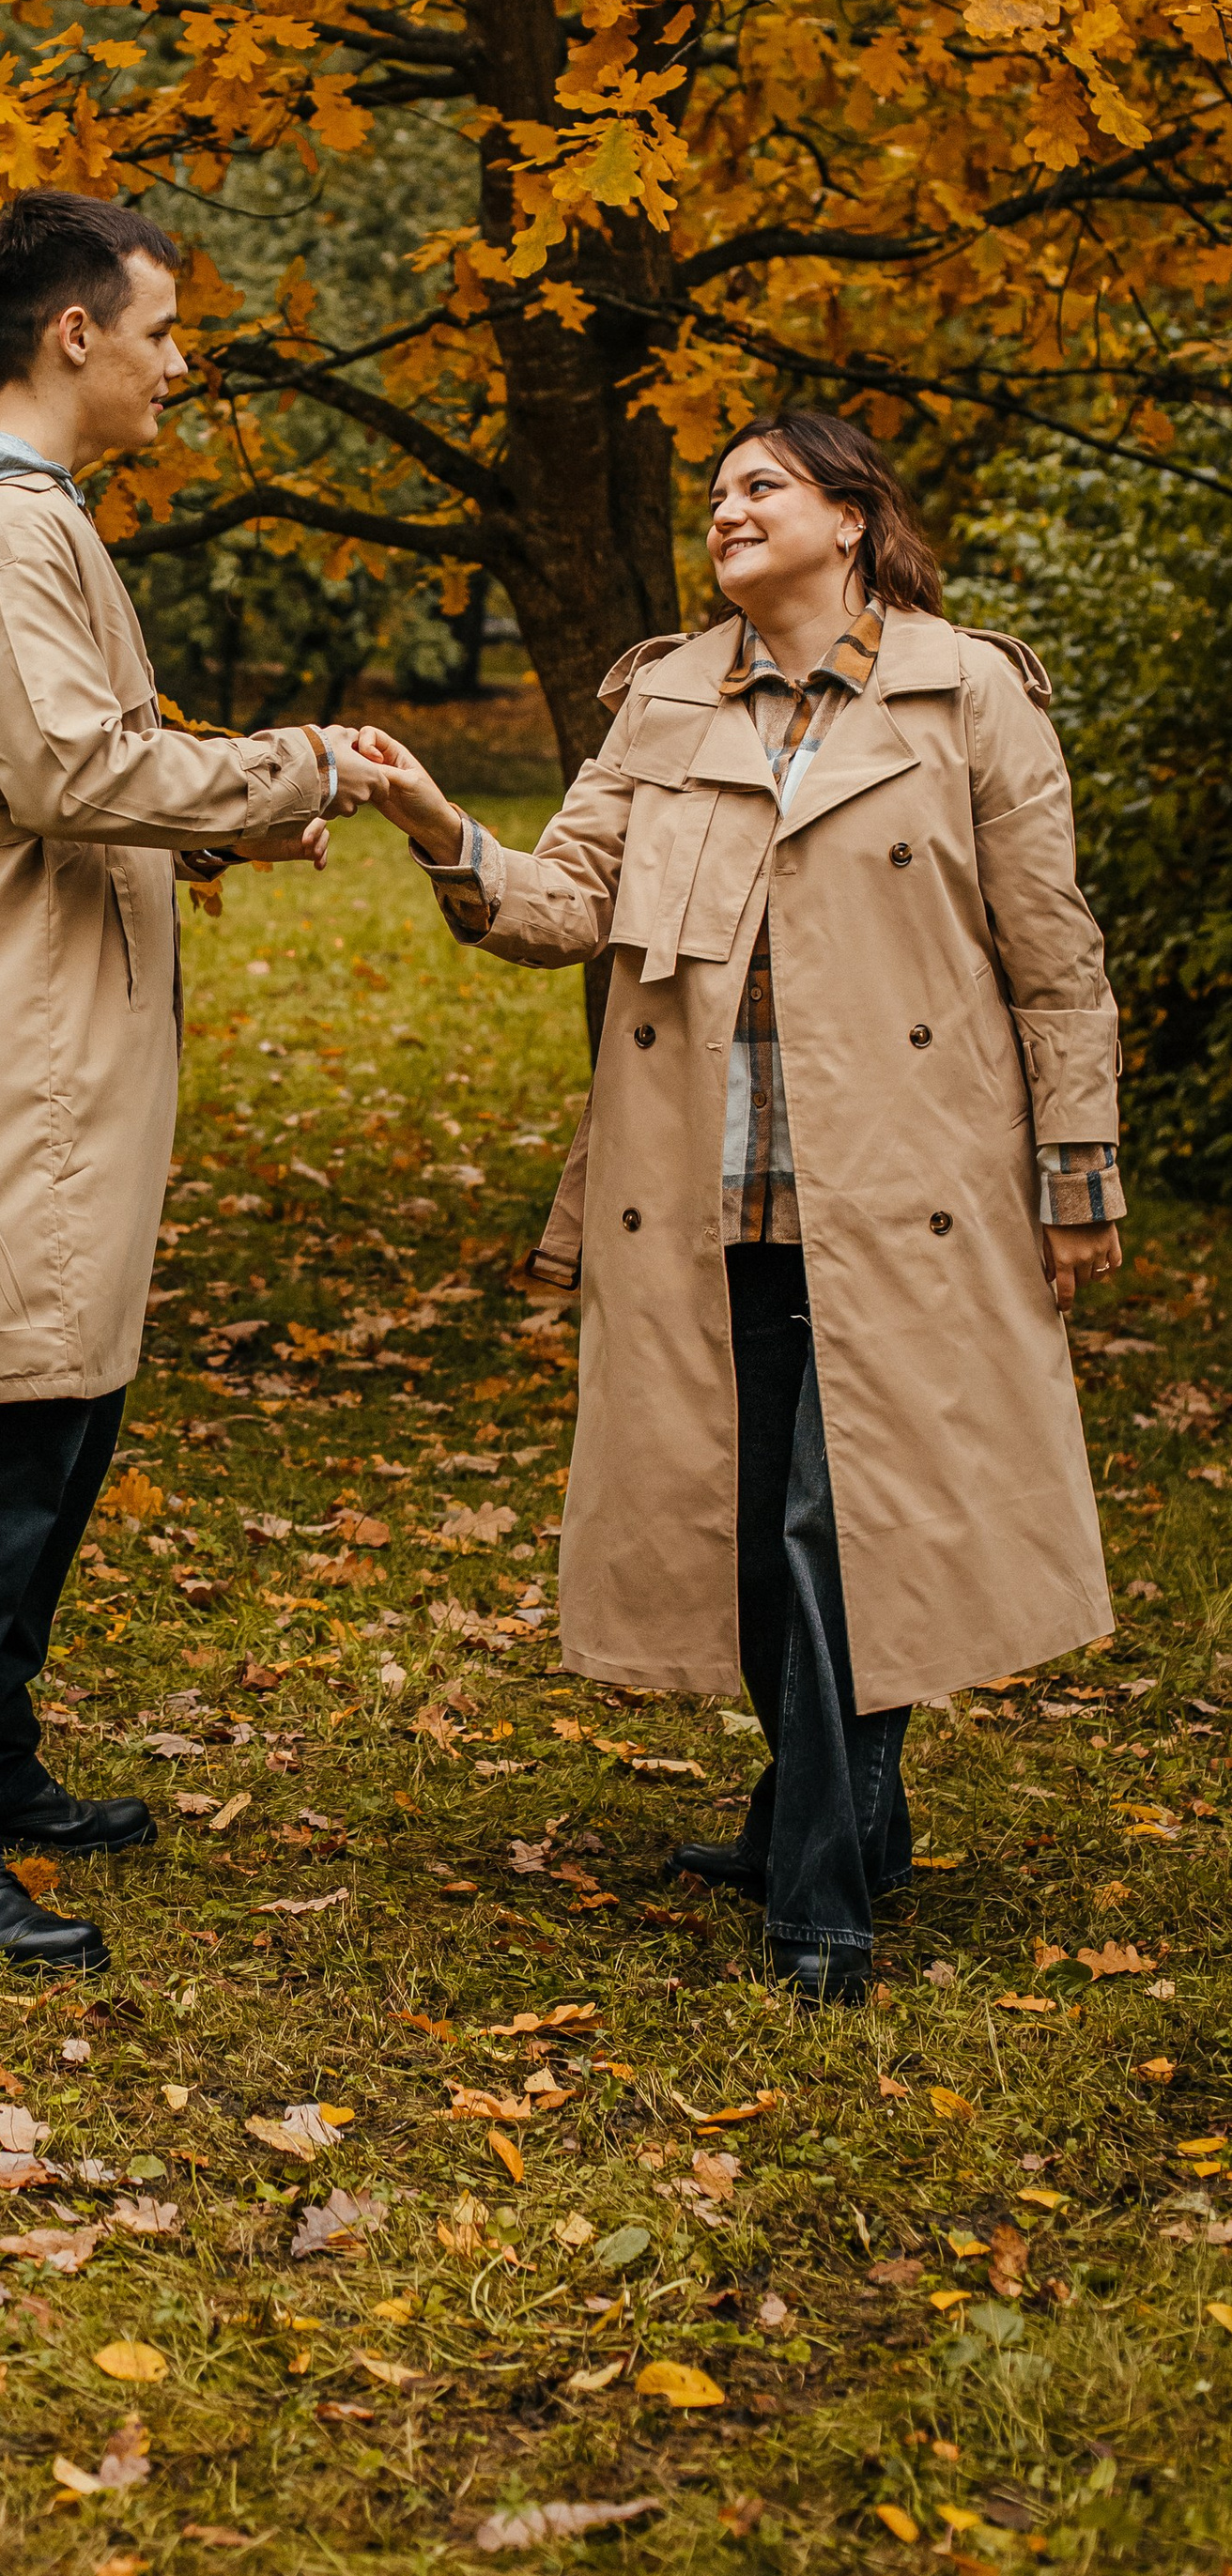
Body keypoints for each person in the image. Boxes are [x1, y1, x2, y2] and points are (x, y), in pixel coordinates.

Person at [355, 411, 1123, 2004]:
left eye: (762, 485)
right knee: (755, 1541)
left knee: (841, 1530)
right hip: (710, 1187)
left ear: (852, 517)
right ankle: (834, 1809)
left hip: (913, 1187)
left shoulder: (966, 691)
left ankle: (820, 1890)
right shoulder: (665, 698)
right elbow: (564, 904)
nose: (726, 509)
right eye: (714, 494)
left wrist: (1077, 1168)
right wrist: (440, 825)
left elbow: (1053, 953)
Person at [0, 189, 390, 1975]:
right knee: (0, 1409)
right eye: (161, 332)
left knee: (63, 1395)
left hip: (61, 990)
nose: (178, 366)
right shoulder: (8, 532)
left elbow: (77, 765)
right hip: (10, 1004)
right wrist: (299, 764)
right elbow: (72, 774)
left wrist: (233, 820)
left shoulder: (36, 521)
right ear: (74, 333)